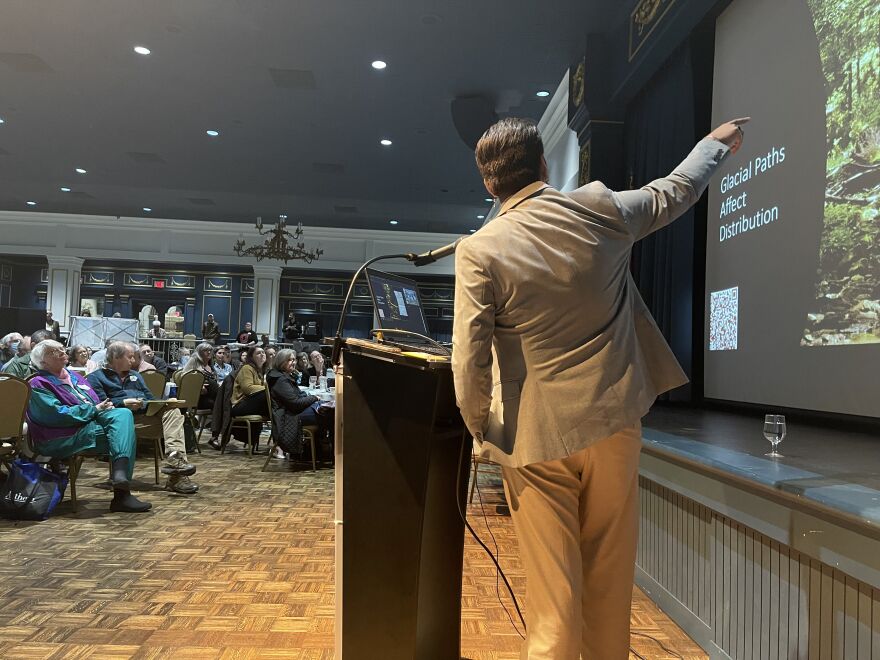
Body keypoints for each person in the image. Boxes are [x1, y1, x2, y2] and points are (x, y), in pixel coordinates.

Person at [451, 116, 747, 659]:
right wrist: (712, 146)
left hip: (534, 439)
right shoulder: (600, 209)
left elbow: (468, 359)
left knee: (553, 602)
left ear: (489, 185)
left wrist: (479, 432)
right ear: (542, 165)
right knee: (609, 583)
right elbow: (673, 192)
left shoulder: (480, 249)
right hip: (614, 424)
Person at [26, 340, 151, 512]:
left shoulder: (75, 377)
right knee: (124, 434)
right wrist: (93, 410)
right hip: (60, 436)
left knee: (123, 414)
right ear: (43, 361)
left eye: (63, 349)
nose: (63, 351)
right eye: (55, 351)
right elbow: (56, 415)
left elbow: (96, 403)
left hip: (86, 427)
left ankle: (120, 480)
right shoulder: (38, 384)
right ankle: (122, 492)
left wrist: (100, 408)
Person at [88, 342, 199, 494]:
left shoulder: (135, 375)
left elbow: (149, 398)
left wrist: (161, 403)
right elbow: (100, 405)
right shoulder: (96, 377)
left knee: (173, 412)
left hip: (142, 419)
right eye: (130, 357)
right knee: (171, 423)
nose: (133, 361)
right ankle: (177, 478)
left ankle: (176, 462)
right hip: (118, 424)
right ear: (115, 357)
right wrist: (123, 403)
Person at [265, 349, 321, 459]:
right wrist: (314, 398)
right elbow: (295, 403)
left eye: (294, 360)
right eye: (289, 360)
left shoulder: (284, 375)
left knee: (324, 410)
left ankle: (317, 449)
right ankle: (321, 452)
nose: (293, 362)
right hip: (288, 416)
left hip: (291, 412)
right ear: (281, 362)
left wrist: (308, 397)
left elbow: (297, 396)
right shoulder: (280, 380)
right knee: (326, 414)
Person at [229, 345, 268, 447]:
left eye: (263, 352)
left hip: (252, 404)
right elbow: (248, 389)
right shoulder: (247, 368)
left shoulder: (261, 371)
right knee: (269, 396)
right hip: (240, 405)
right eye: (258, 353)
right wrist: (269, 390)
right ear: (251, 357)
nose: (262, 354)